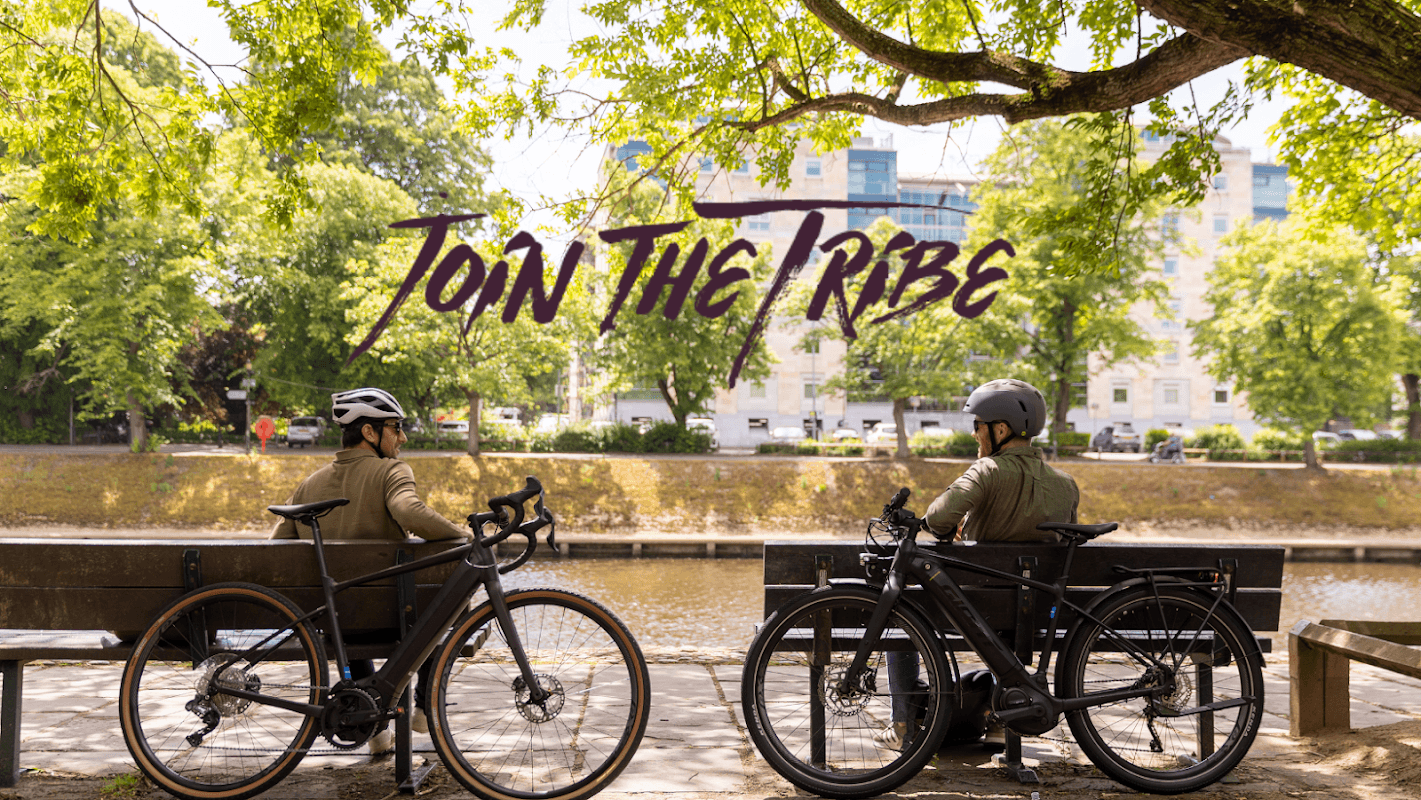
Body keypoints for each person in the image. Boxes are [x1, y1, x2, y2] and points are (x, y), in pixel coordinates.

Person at [874, 379, 1081, 752]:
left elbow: (937, 519)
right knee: (1015, 613)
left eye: (978, 426)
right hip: (1034, 616)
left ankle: (902, 723)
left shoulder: (986, 471)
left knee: (902, 614)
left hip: (975, 612)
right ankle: (1001, 722)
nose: (974, 435)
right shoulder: (1067, 484)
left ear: (1000, 430)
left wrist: (956, 523)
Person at [271, 387, 470, 755]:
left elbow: (276, 551)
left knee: (347, 604)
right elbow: (409, 512)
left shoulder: (307, 486)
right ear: (369, 432)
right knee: (449, 597)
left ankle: (374, 727)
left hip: (334, 628)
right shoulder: (390, 470)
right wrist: (464, 536)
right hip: (394, 618)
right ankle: (425, 703)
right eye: (396, 428)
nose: (403, 437)